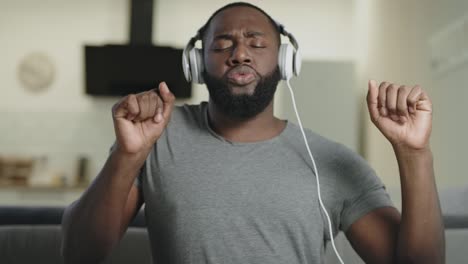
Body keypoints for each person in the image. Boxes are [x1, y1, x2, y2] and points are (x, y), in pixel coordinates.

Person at [61, 2, 445, 263]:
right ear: (196, 63)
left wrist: (415, 155)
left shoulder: (333, 161)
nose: (240, 53)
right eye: (223, 43)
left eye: (257, 43)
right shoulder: (156, 138)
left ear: (285, 62)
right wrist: (126, 156)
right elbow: (79, 252)